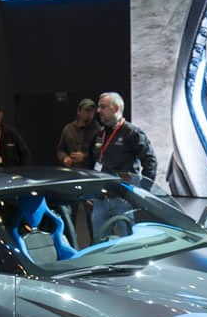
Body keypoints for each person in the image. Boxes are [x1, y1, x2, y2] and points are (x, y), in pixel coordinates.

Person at [84, 92, 157, 237]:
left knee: (128, 242)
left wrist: (143, 191)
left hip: (124, 200)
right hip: (100, 199)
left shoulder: (132, 133)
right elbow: (90, 163)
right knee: (99, 241)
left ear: (116, 108)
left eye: (103, 107)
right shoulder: (99, 135)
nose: (98, 111)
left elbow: (150, 161)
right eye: (98, 107)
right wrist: (88, 190)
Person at [56, 98, 101, 168]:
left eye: (92, 111)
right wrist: (64, 158)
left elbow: (101, 153)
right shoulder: (69, 128)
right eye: (87, 110)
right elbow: (60, 149)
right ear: (79, 111)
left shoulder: (99, 130)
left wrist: (84, 157)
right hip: (71, 169)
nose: (89, 113)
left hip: (90, 170)